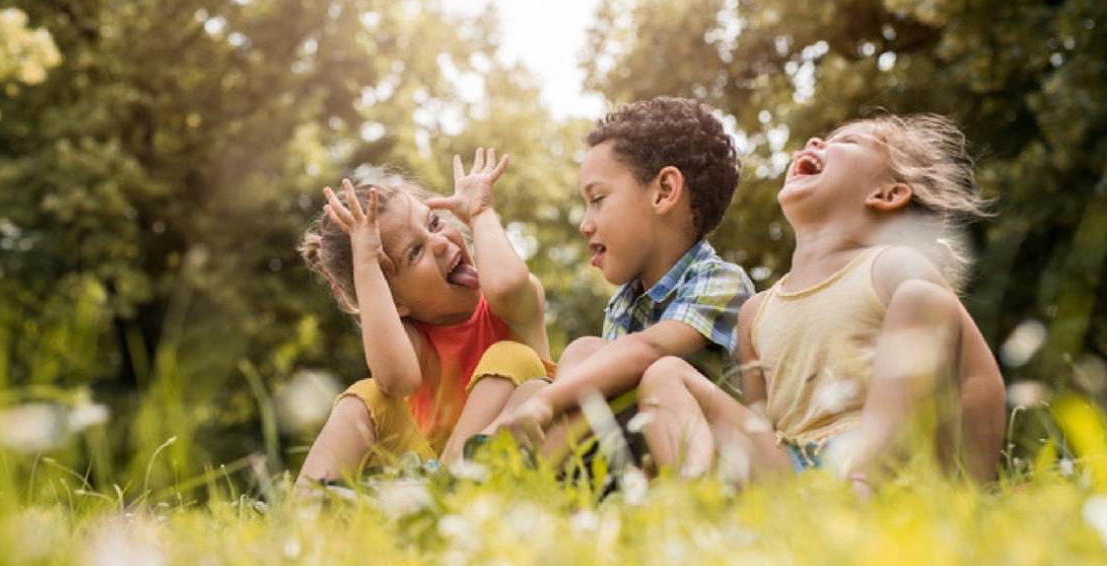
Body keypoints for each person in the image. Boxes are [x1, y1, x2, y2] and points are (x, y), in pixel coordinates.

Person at [632, 113, 1006, 485]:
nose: (814, 143)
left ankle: (866, 489)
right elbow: (761, 425)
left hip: (890, 469)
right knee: (664, 375)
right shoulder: (756, 312)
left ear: (887, 194)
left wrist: (974, 484)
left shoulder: (893, 267)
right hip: (795, 477)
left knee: (921, 297)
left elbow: (977, 380)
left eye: (845, 142)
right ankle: (695, 499)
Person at [479, 97, 754, 472]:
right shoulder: (625, 303)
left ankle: (502, 472)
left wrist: (547, 403)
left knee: (586, 367)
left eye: (598, 200)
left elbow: (649, 348)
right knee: (575, 357)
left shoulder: (721, 282)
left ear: (663, 191)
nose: (585, 224)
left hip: (723, 459)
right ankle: (507, 469)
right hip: (638, 456)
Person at [294, 149, 553, 485]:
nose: (440, 243)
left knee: (512, 355)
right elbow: (395, 381)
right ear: (395, 301)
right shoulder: (412, 343)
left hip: (517, 460)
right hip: (426, 481)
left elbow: (505, 285)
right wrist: (367, 265)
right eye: (414, 252)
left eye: (433, 222)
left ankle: (448, 488)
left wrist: (481, 211)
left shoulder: (511, 310)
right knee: (366, 396)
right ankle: (306, 511)